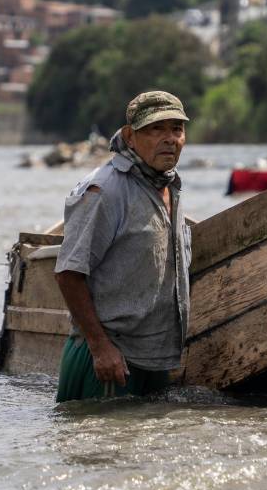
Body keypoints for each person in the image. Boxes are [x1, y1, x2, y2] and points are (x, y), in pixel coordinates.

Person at [53, 91, 192, 402]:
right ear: (130, 137)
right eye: (156, 129)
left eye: (176, 129)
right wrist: (101, 348)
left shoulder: (169, 186)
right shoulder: (105, 190)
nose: (169, 139)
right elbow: (68, 274)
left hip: (153, 357)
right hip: (105, 359)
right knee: (99, 448)